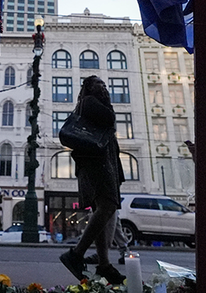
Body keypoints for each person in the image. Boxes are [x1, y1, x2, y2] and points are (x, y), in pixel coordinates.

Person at [59, 76, 126, 285]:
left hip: (98, 164)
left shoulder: (88, 104)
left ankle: (104, 264)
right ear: (88, 87)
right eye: (99, 83)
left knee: (102, 210)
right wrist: (107, 102)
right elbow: (109, 119)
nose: (104, 87)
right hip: (98, 165)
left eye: (105, 84)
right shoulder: (90, 102)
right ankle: (76, 254)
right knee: (107, 206)